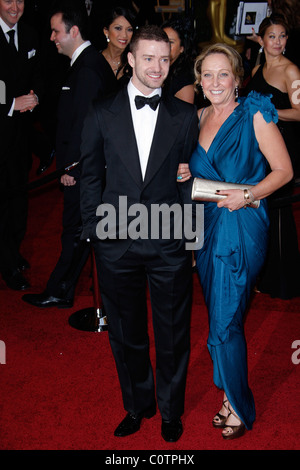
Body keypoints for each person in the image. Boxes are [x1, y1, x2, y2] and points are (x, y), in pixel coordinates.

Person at [79, 25, 198, 442]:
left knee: (172, 333)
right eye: (148, 58)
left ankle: (170, 410)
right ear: (130, 59)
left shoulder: (184, 117)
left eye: (164, 59)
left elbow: (187, 180)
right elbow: (90, 176)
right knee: (126, 334)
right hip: (117, 242)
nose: (157, 68)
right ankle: (137, 404)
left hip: (168, 243)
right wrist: (95, 232)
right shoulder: (100, 110)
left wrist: (188, 239)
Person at [179, 43, 293, 439]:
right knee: (220, 315)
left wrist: (247, 195)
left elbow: (283, 171)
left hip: (242, 226)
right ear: (198, 79)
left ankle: (238, 405)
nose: (214, 82)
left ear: (237, 78)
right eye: (207, 74)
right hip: (208, 227)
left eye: (222, 74)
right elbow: (193, 179)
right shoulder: (196, 118)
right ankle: (229, 390)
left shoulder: (255, 113)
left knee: (224, 322)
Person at [22, 0, 114, 308]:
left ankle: (59, 290)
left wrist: (73, 169)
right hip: (85, 167)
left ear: (73, 31)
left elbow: (86, 127)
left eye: (55, 31)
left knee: (75, 231)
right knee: (78, 231)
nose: (52, 38)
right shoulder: (88, 63)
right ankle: (63, 288)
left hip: (83, 170)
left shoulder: (87, 68)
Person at [246, 14, 300, 299]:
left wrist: (271, 113)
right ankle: (267, 273)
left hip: (283, 145)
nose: (278, 41)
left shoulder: (291, 71)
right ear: (263, 40)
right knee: (265, 210)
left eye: (282, 36)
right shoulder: (259, 64)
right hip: (261, 145)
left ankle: (283, 281)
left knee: (278, 210)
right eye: (272, 36)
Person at [0, 0, 42, 290]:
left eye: (19, 0)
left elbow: (38, 73)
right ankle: (8, 265)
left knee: (19, 199)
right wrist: (10, 104)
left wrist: (35, 96)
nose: (14, 6)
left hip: (22, 135)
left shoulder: (30, 34)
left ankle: (13, 250)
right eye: (7, 0)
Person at [162, 17, 196, 104]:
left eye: (171, 42)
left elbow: (185, 115)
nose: (165, 46)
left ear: (181, 48)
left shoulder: (183, 78)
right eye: (162, 41)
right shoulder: (158, 69)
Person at [101, 6, 136, 80]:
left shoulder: (134, 62)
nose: (124, 35)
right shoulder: (95, 60)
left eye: (129, 29)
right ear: (106, 31)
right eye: (118, 28)